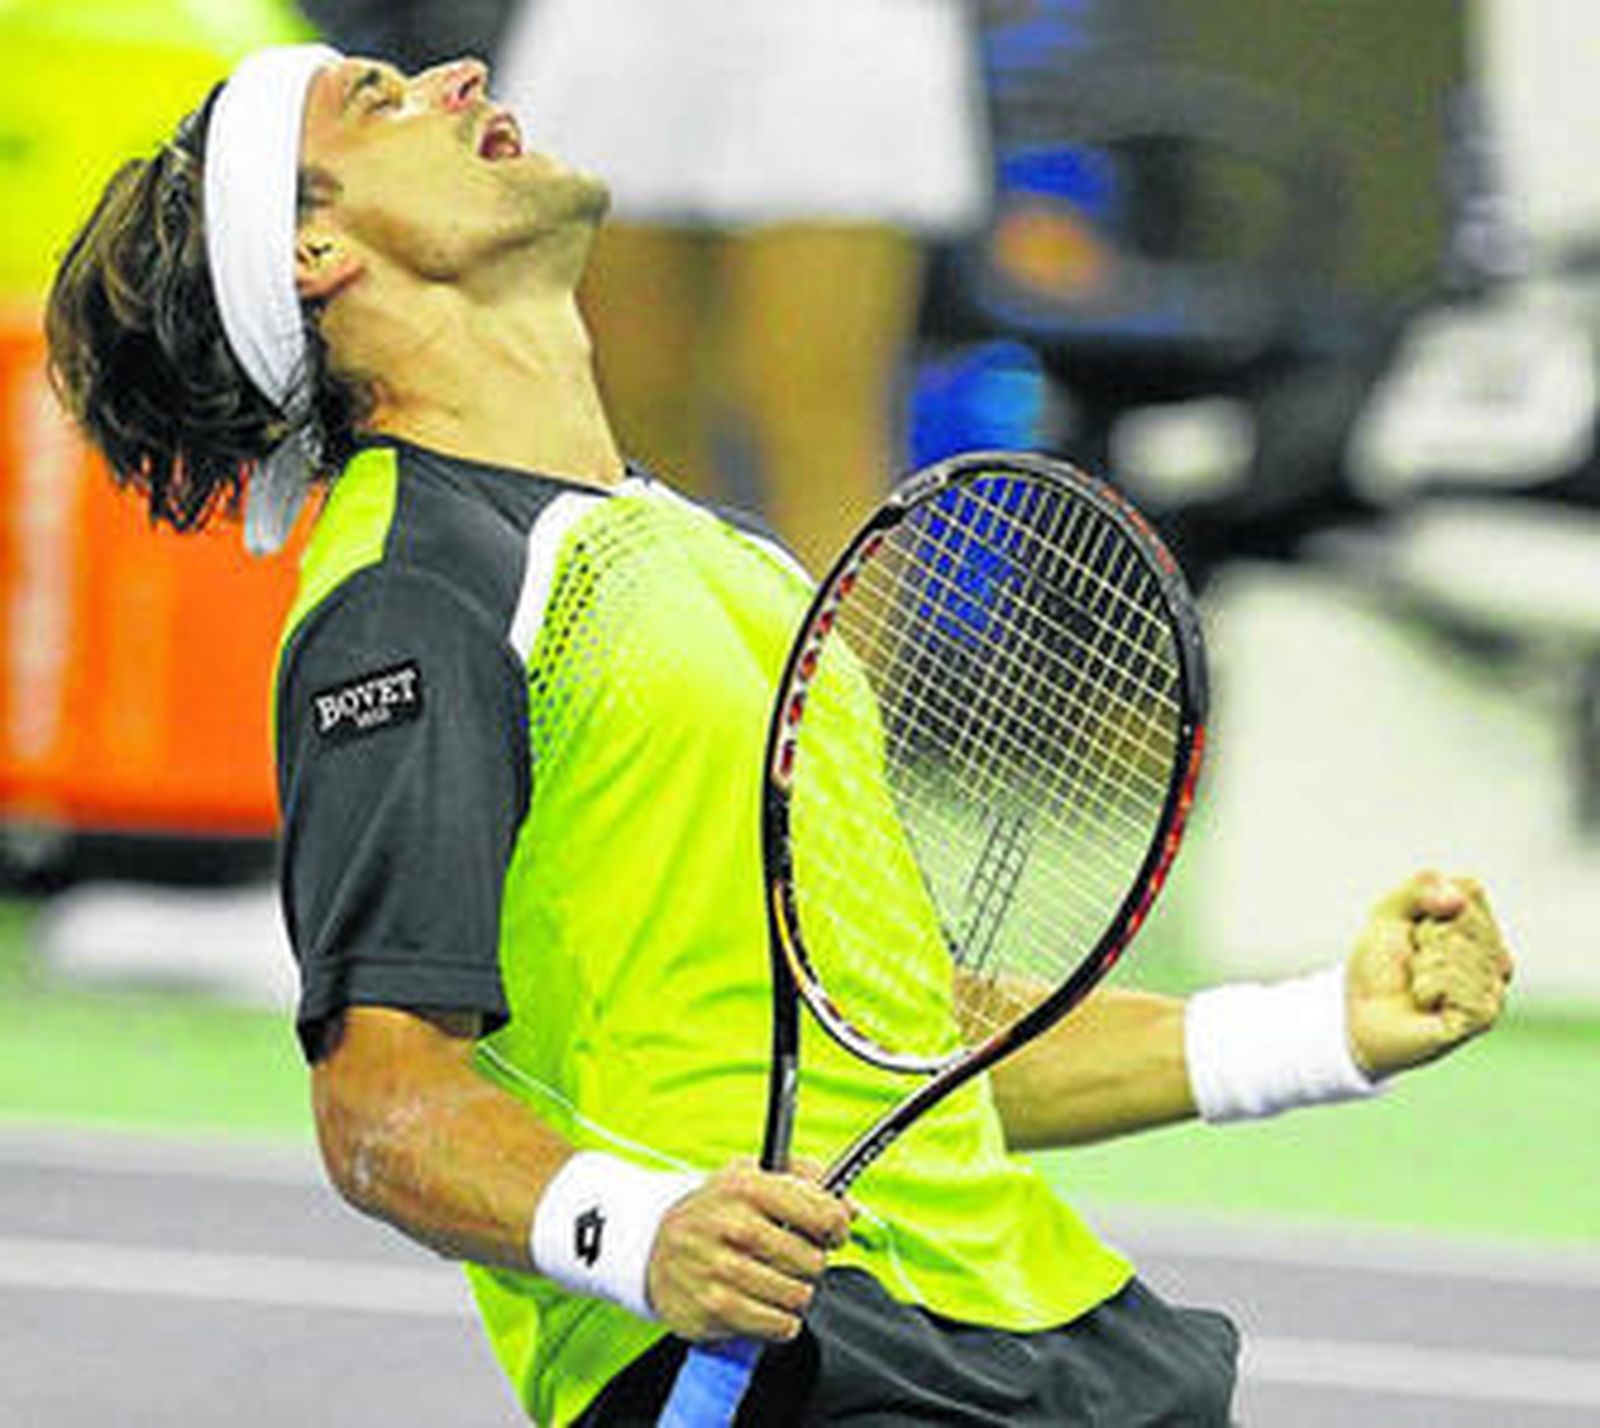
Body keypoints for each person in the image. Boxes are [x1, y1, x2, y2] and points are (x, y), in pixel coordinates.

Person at [44, 45, 1514, 1426]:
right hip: (775, 1366)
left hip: (1025, 1332)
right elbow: (380, 1098)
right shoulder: (410, 596)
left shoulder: (715, 555)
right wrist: (636, 1232)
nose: (459, 76)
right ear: (316, 252)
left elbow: (892, 1036)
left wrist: (1320, 1031)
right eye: (380, 102)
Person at [494, 0, 991, 572]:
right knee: (622, 424)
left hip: (836, 30)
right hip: (621, 31)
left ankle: (827, 664)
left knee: (814, 414)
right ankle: (670, 655)